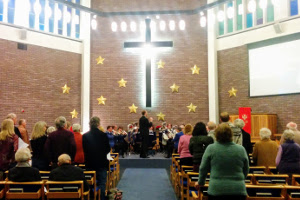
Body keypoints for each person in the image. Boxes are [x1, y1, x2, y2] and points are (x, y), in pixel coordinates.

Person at [196, 124, 249, 200]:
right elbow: (246, 169)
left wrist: (200, 182)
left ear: (216, 135)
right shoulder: (241, 149)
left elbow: (203, 168)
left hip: (217, 189)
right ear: (231, 134)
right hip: (238, 189)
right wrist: (240, 180)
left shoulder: (211, 148)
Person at [82, 116, 110, 200]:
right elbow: (107, 149)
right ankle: (101, 198)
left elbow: (85, 149)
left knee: (90, 182)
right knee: (102, 183)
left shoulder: (85, 136)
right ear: (98, 124)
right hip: (101, 162)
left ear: (90, 124)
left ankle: (91, 197)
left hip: (89, 162)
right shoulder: (103, 135)